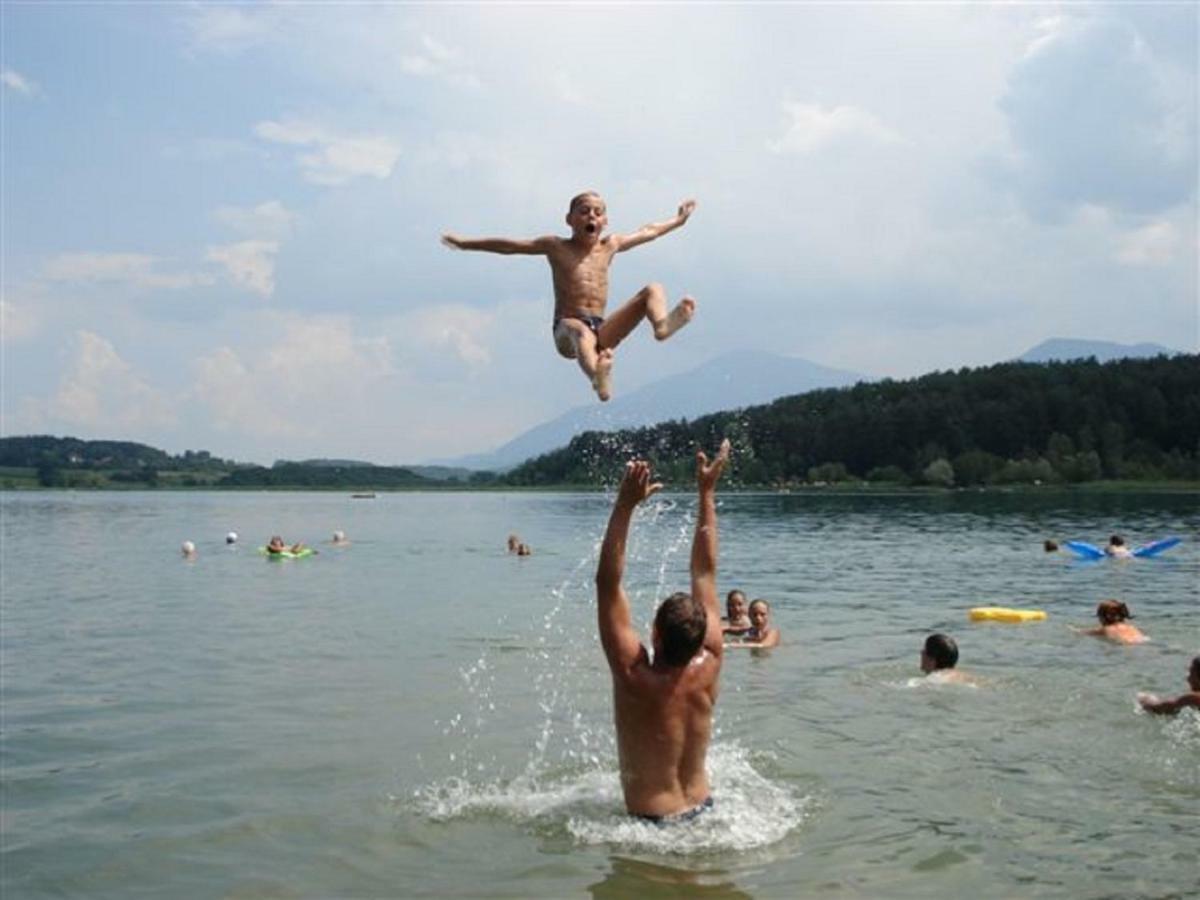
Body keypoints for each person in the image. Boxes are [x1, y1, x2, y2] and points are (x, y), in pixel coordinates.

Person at [442, 192, 697, 401]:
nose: (592, 216)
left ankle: (662, 325)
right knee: (581, 332)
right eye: (585, 211)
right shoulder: (556, 247)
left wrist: (678, 221)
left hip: (601, 329)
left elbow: (648, 231)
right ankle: (598, 377)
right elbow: (509, 246)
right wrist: (466, 244)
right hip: (566, 330)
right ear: (569, 219)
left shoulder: (610, 245)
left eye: (598, 213)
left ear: (605, 222)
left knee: (653, 289)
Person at [596, 439, 730, 821]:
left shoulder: (633, 676)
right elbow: (705, 571)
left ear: (654, 634)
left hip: (650, 826)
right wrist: (706, 492)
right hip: (706, 810)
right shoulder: (712, 660)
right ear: (701, 637)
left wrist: (625, 505)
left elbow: (607, 585)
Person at [1080, 599, 1147, 644]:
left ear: (1102, 617)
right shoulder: (1131, 627)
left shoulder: (1105, 629)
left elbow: (1084, 632)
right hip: (1143, 640)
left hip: (1127, 643)